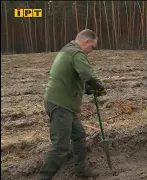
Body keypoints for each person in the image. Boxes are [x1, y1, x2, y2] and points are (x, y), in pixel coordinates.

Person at [39, 29, 106, 180]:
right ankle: (43, 177)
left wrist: (88, 88)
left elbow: (74, 76)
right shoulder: (77, 53)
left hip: (65, 104)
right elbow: (87, 74)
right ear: (85, 42)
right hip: (60, 104)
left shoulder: (68, 50)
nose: (91, 51)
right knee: (60, 146)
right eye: (92, 47)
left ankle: (80, 171)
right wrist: (99, 86)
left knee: (79, 136)